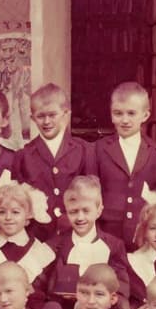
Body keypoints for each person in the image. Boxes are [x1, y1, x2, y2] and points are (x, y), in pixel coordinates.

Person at [33, 175, 129, 309]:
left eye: (86, 211)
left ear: (98, 210)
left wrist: (114, 301)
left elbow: (121, 284)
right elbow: (38, 283)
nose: (80, 217)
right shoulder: (55, 245)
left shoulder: (113, 246)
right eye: (73, 212)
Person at [13, 83, 96, 239]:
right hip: (38, 237)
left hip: (77, 235)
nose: (46, 121)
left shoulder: (84, 150)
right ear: (32, 118)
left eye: (52, 115)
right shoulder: (23, 156)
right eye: (40, 116)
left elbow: (92, 195)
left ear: (65, 114)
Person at [94, 81, 156, 249]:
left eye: (131, 113)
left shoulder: (155, 152)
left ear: (145, 115)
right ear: (111, 115)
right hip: (106, 235)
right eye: (118, 113)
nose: (125, 120)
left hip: (141, 236)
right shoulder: (98, 149)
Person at [0, 182, 55, 309]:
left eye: (15, 212)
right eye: (2, 212)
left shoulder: (40, 252)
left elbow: (39, 296)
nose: (8, 218)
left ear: (28, 214)